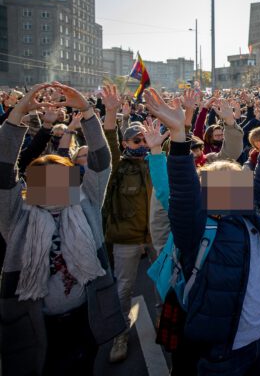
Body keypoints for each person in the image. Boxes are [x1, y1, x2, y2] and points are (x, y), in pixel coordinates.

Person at [144, 88, 260, 375]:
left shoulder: (250, 209)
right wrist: (177, 136)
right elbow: (183, 192)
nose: (235, 190)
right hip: (223, 351)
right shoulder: (196, 229)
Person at [0, 83, 125, 376]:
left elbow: (101, 162)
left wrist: (87, 111)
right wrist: (17, 114)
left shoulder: (86, 203)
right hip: (36, 327)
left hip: (85, 318)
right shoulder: (16, 216)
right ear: (31, 186)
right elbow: (2, 172)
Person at [99, 84, 155, 363]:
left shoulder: (158, 161)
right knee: (123, 287)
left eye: (145, 141)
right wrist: (110, 112)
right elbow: (107, 140)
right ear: (125, 144)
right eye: (136, 142)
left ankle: (167, 326)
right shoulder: (119, 167)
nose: (142, 145)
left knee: (168, 283)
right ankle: (120, 334)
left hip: (157, 237)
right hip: (126, 237)